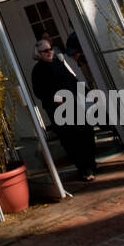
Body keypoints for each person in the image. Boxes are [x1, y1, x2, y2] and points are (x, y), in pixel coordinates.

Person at [31, 37, 97, 181]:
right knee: (71, 140)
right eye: (45, 51)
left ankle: (91, 163)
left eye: (50, 49)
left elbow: (73, 80)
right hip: (58, 110)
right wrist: (55, 99)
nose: (49, 52)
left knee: (86, 131)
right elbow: (39, 92)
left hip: (73, 104)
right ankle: (84, 169)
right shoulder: (38, 71)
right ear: (39, 54)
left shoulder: (59, 63)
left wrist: (88, 94)